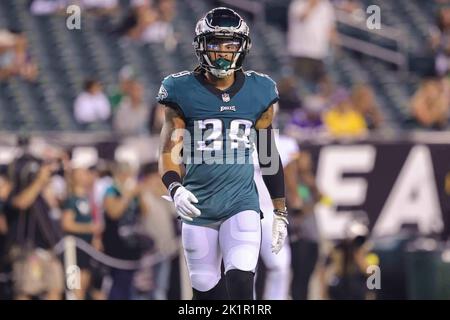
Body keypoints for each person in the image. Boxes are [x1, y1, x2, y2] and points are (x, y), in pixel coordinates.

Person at [157, 7, 288, 300]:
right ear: (201, 45)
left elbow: (268, 155)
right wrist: (175, 188)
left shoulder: (260, 90)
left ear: (242, 48)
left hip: (241, 203)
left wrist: (280, 210)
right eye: (215, 43)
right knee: (206, 296)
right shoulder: (180, 89)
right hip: (198, 206)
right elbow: (168, 151)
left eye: (230, 45)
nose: (222, 52)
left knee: (241, 284)